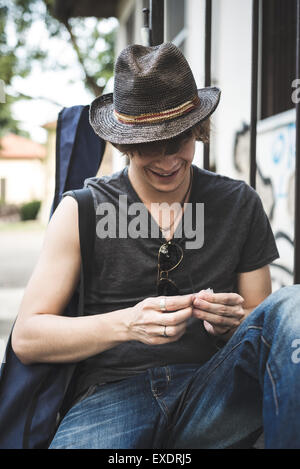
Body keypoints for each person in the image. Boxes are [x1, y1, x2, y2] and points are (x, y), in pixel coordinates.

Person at [11, 42, 300, 449]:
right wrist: (127, 323)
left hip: (210, 390)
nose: (166, 161)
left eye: (179, 140)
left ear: (199, 129)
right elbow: (28, 337)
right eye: (148, 144)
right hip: (109, 399)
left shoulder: (239, 202)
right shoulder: (82, 209)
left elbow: (260, 318)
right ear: (124, 140)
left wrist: (230, 322)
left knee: (294, 305)